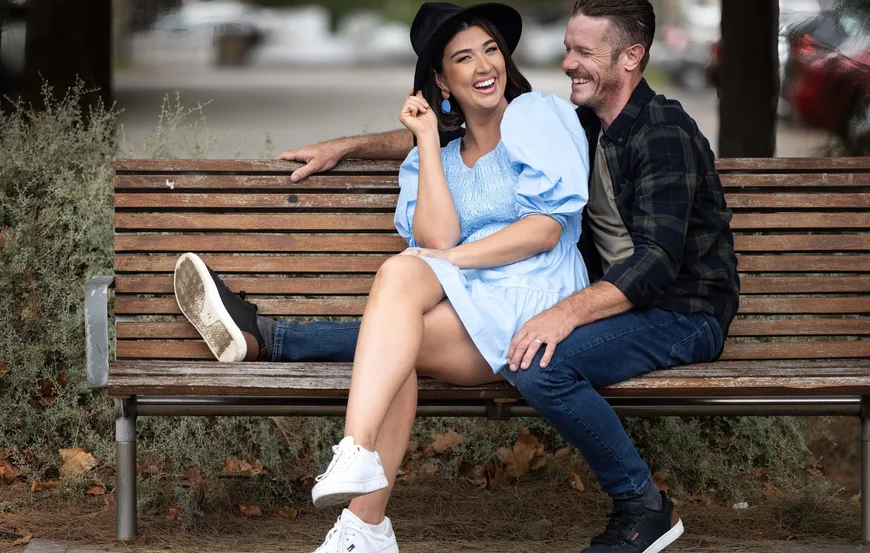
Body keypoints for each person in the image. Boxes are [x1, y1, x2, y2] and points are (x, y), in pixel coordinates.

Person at [277, 1, 741, 552]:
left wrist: (562, 312)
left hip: (681, 311)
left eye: (582, 52)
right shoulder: (590, 119)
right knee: (400, 338)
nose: (566, 63)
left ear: (631, 58)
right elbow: (468, 128)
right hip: (595, 302)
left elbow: (656, 264)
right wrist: (352, 146)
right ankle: (365, 525)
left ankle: (644, 505)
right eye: (568, 48)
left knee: (538, 365)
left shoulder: (657, 131)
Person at [172, 3, 592, 552]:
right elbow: (437, 240)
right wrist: (424, 139)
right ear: (442, 80)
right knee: (398, 338)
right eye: (463, 58)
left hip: (538, 307)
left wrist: (449, 263)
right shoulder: (430, 160)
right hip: (471, 312)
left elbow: (543, 231)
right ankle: (363, 528)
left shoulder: (539, 117)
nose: (484, 65)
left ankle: (355, 457)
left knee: (403, 279)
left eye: (490, 49)